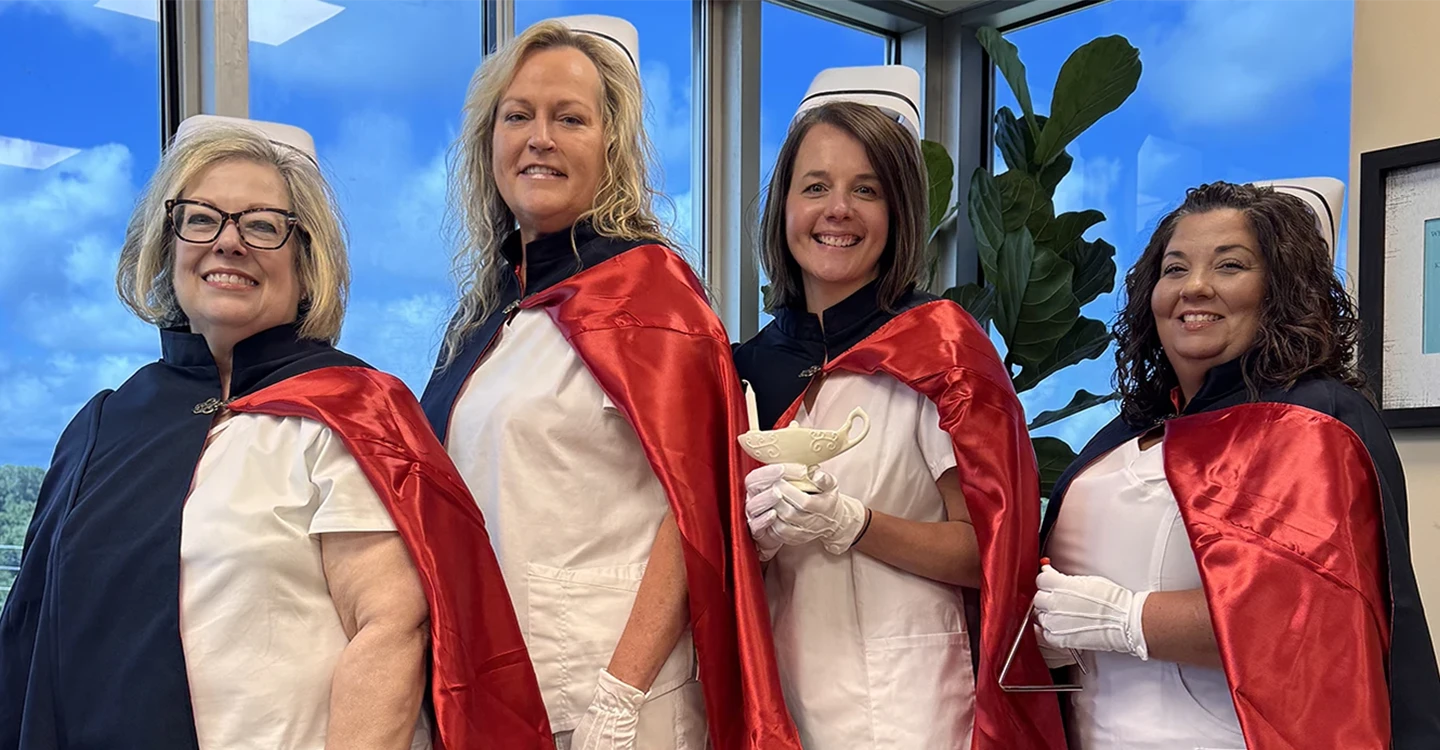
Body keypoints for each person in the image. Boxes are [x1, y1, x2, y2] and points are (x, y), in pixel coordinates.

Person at [0, 115, 550, 750]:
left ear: (305, 261)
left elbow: (391, 627)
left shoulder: (351, 414)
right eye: (201, 218)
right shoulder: (101, 427)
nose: (228, 243)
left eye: (262, 226)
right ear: (167, 244)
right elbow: (33, 643)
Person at [418, 16, 797, 750]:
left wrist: (622, 694)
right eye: (518, 116)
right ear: (488, 141)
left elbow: (697, 507)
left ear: (611, 145)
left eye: (570, 119)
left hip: (614, 702)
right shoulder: (483, 319)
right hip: (497, 691)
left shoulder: (652, 297)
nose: (540, 138)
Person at [1035, 181, 1440, 749]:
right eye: (1175, 269)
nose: (1195, 286)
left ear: (1281, 289)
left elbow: (1317, 620)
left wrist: (1126, 618)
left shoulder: (1311, 420)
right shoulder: (1124, 432)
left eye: (1230, 265)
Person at [732, 66, 1065, 750]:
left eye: (867, 190)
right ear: (783, 207)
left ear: (900, 213)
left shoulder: (939, 350)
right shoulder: (744, 369)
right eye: (815, 187)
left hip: (915, 708)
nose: (838, 210)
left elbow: (989, 551)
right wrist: (753, 543)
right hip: (780, 699)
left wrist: (853, 523)